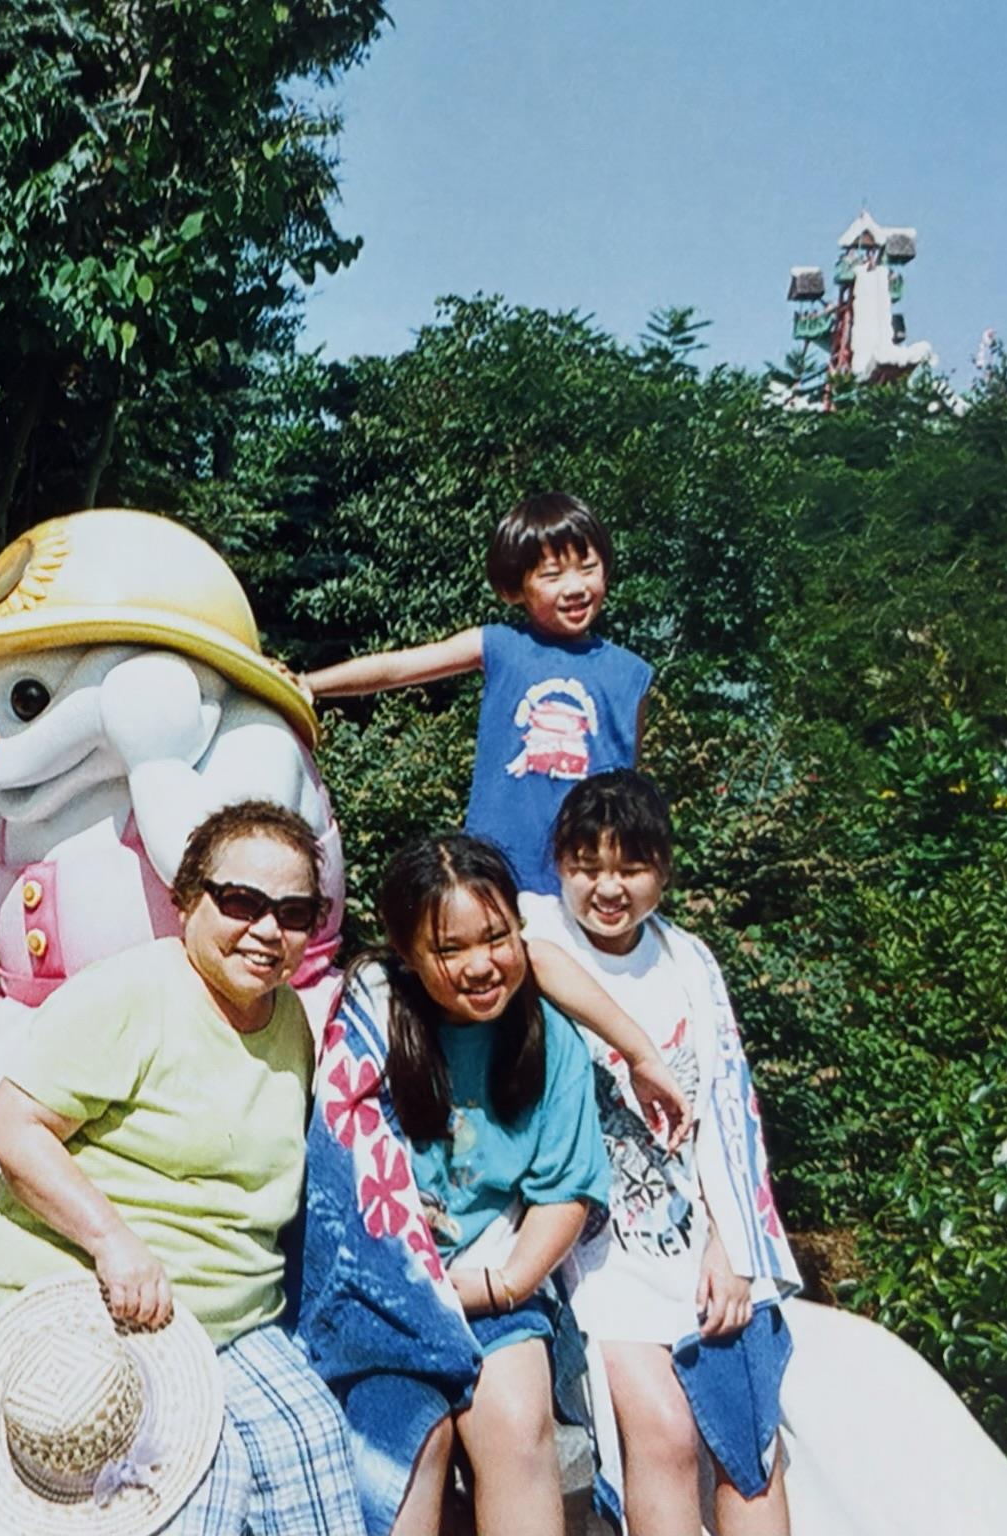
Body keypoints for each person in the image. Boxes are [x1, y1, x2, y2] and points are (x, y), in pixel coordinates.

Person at [0, 799, 364, 1534]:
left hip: (228, 1315)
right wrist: (112, 1241)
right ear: (186, 900)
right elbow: (13, 1127)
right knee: (200, 1482)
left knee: (315, 1449)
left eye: (295, 912)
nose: (267, 930)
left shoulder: (291, 1019)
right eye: (241, 902)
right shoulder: (133, 993)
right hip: (83, 1293)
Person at [298, 832, 611, 1536]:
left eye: (496, 938)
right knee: (407, 1444)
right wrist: (422, 1290)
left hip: (495, 1281)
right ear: (407, 954)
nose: (482, 966)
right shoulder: (371, 1027)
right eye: (450, 949)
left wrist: (502, 1286)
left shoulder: (549, 1035)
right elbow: (341, 1183)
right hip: (385, 1293)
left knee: (516, 1423)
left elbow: (567, 1187)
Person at [528, 771, 801, 1536]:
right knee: (664, 1431)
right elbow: (531, 960)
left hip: (698, 1236)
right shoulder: (534, 926)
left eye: (631, 866)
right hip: (597, 1253)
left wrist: (733, 1244)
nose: (606, 887)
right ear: (558, 864)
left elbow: (725, 1110)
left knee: (750, 1439)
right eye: (586, 863)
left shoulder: (689, 960)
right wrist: (637, 1049)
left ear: (664, 871)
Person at [299, 494, 652, 896]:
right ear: (515, 588)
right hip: (496, 874)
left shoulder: (632, 674)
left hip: (592, 882)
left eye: (588, 568)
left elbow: (631, 791)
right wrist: (311, 683)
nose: (575, 587)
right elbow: (399, 667)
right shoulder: (500, 645)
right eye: (552, 576)